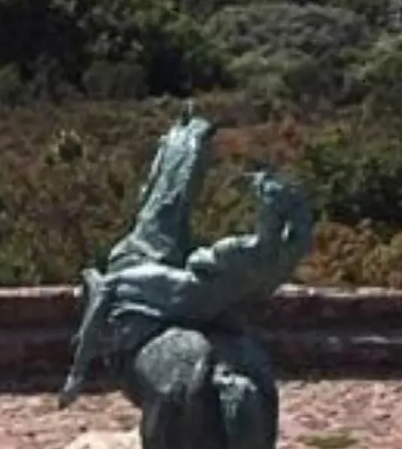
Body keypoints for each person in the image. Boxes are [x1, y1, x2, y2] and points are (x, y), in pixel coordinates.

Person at [59, 170, 313, 409]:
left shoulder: (216, 262)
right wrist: (280, 203)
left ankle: (78, 373)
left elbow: (256, 245)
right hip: (218, 304)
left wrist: (77, 372)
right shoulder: (271, 268)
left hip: (188, 296)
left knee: (110, 285)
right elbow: (277, 241)